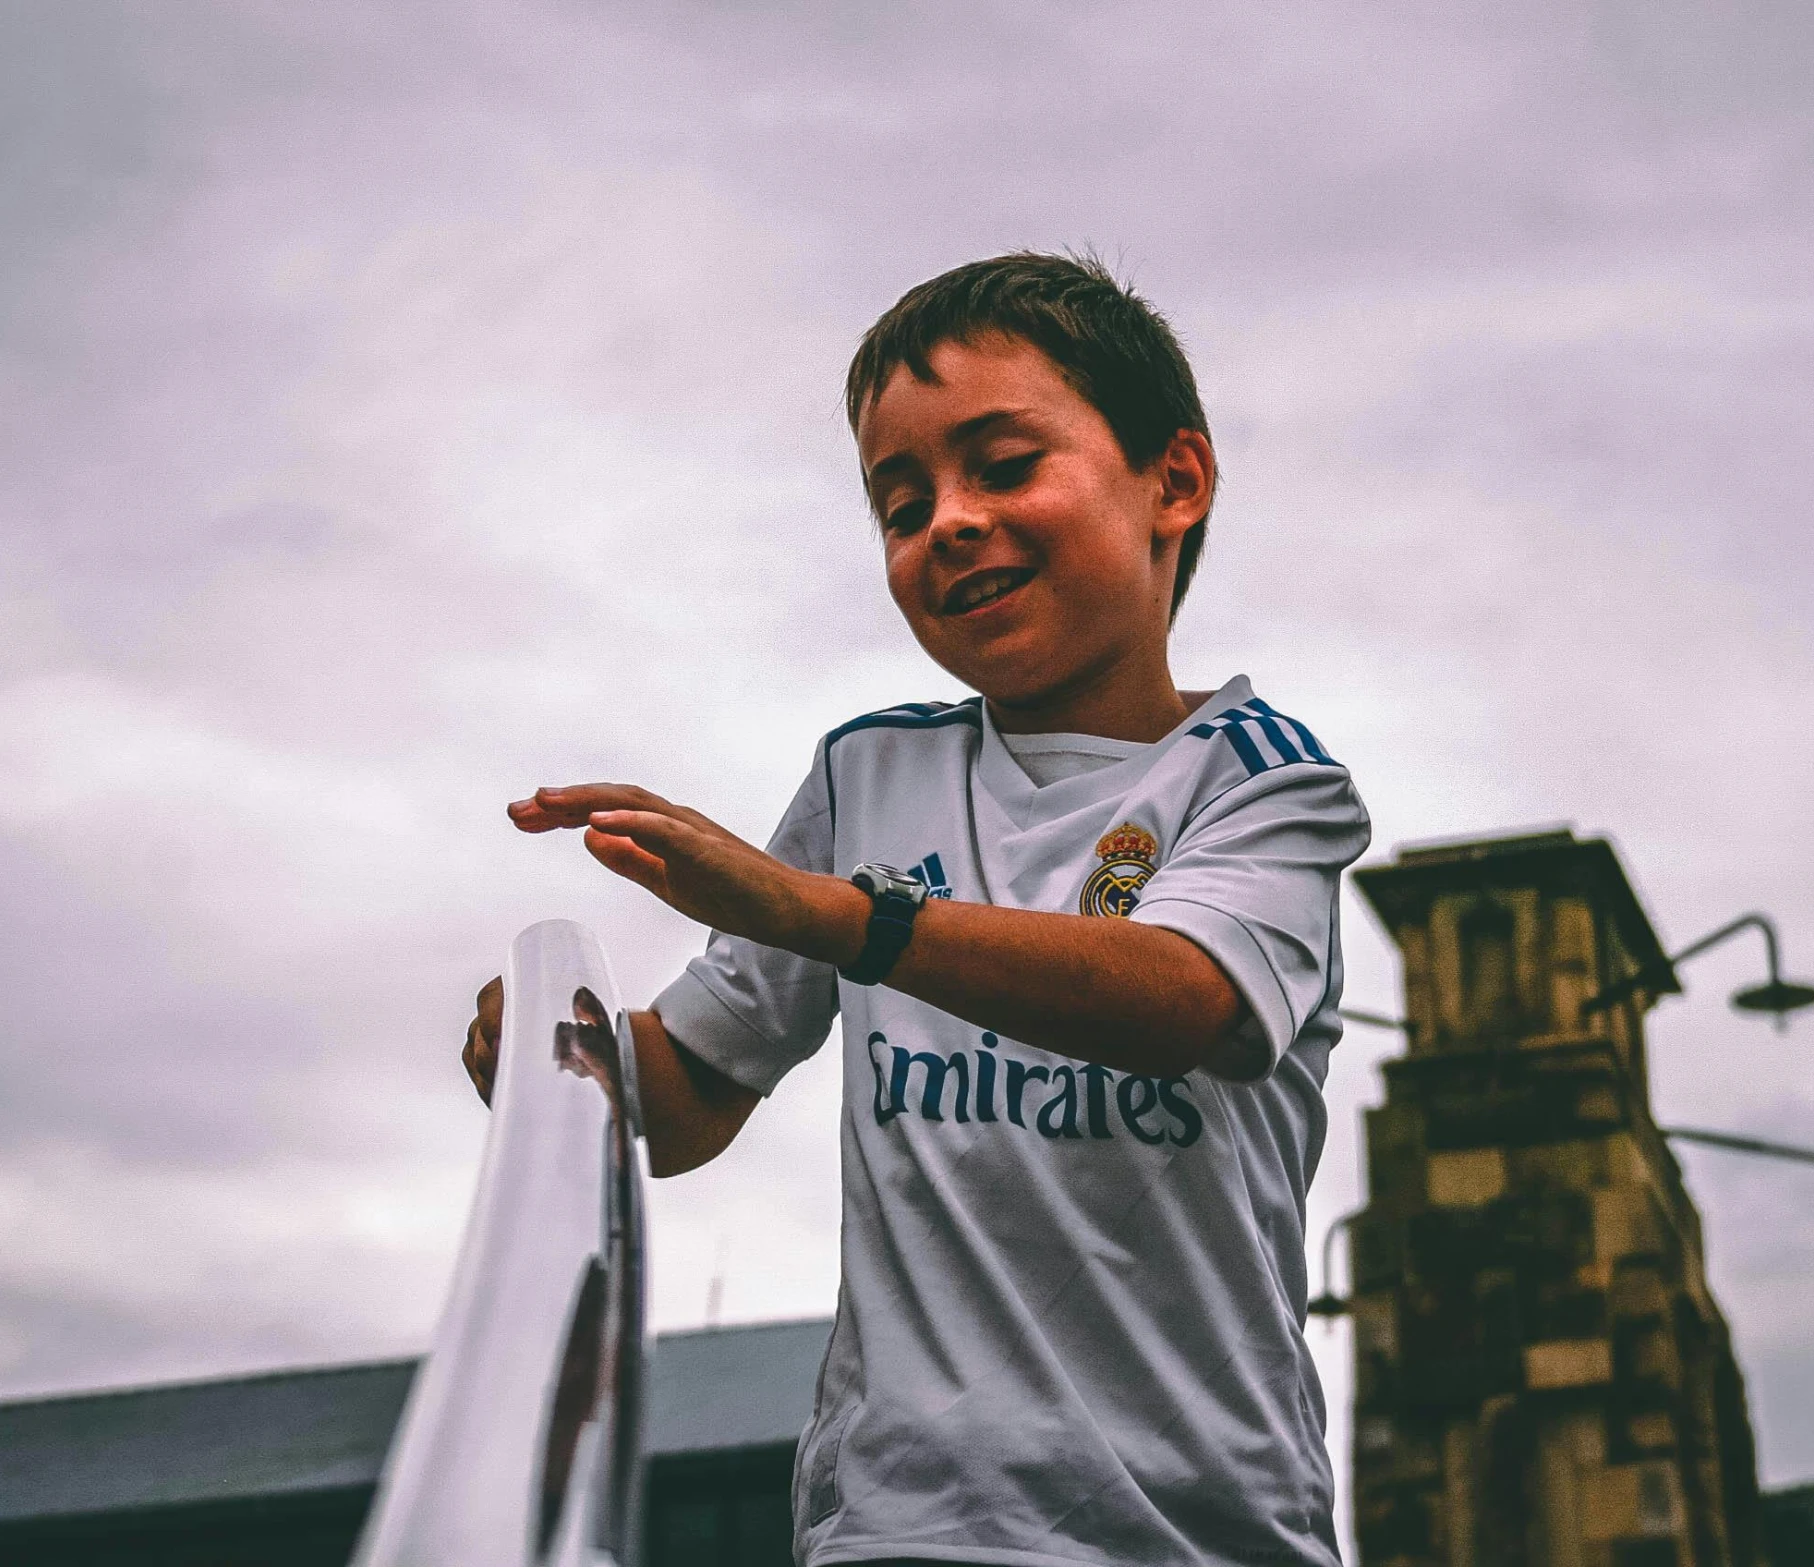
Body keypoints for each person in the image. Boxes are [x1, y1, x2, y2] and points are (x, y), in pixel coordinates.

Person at [462, 252, 1370, 1567]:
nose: (944, 520)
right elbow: (694, 1097)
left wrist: (846, 919)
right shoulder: (867, 774)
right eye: (900, 501)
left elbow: (1189, 1000)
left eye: (1001, 466)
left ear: (1172, 481)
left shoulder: (1263, 778)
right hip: (905, 1528)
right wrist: (562, 1049)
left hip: (1202, 1532)